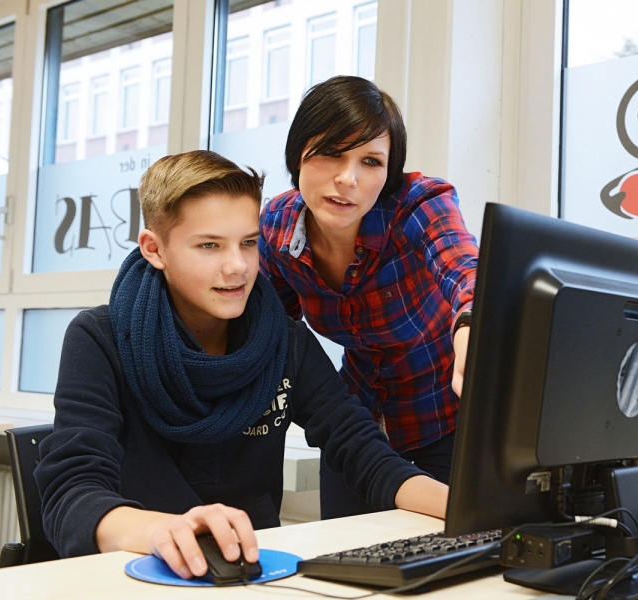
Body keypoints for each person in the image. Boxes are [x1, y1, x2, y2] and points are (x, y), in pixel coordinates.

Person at [34, 150, 448, 580]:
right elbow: (72, 494)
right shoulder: (98, 338)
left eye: (249, 243)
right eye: (209, 245)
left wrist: (466, 508)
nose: (238, 267)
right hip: (130, 574)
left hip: (248, 576)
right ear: (155, 249)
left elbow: (363, 450)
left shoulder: (284, 340)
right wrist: (161, 530)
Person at [259, 76, 478, 518]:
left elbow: (465, 270)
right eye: (330, 154)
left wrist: (474, 325)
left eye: (371, 161)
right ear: (297, 155)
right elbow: (271, 334)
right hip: (357, 428)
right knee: (347, 561)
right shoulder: (277, 228)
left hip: (448, 419)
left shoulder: (419, 204)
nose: (348, 179)